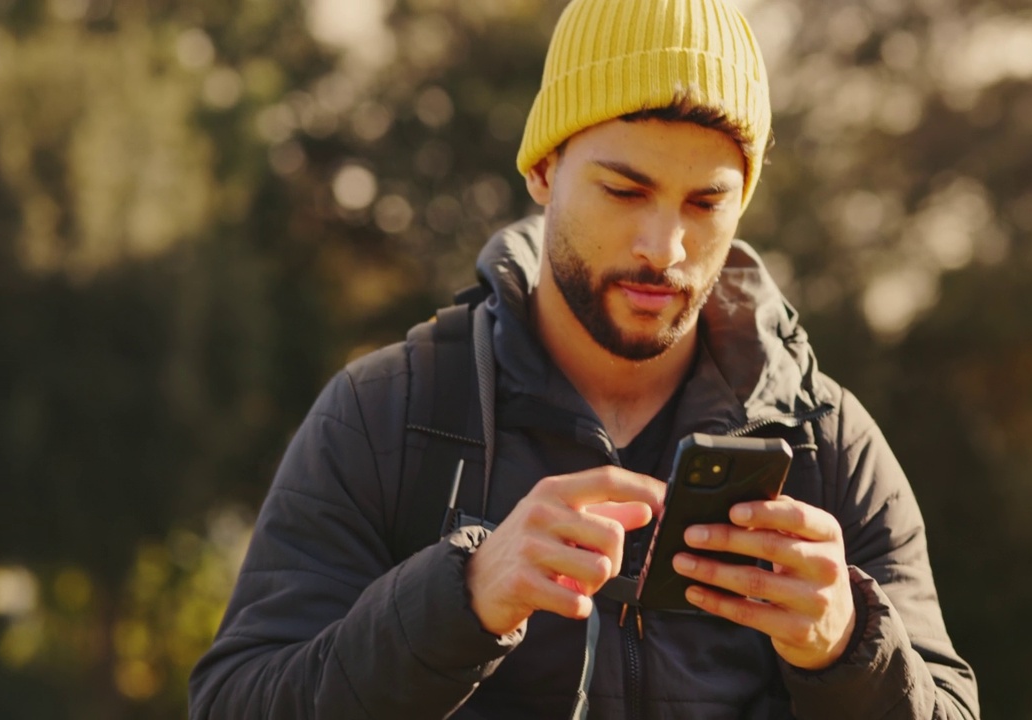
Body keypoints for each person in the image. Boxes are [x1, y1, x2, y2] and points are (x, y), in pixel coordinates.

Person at [189, 0, 979, 717]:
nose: (663, 249)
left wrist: (847, 647)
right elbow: (233, 705)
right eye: (624, 190)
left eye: (705, 203)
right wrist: (461, 598)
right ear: (543, 170)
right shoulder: (387, 414)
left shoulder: (829, 445)